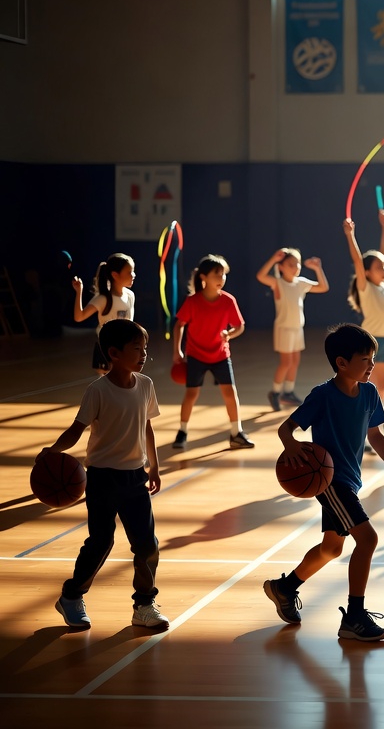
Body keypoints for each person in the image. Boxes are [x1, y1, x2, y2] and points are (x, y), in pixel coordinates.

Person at [263, 324, 384, 642]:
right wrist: (291, 446)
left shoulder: (369, 393)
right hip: (329, 481)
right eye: (365, 359)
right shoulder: (323, 396)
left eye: (373, 358)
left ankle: (284, 588)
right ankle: (354, 617)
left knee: (332, 547)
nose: (371, 365)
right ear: (342, 363)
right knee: (367, 539)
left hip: (351, 481)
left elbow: (375, 435)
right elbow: (287, 429)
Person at [43, 319, 168, 631]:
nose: (143, 354)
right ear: (114, 353)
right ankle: (71, 597)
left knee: (147, 545)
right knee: (101, 542)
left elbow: (147, 426)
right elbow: (76, 430)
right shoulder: (97, 391)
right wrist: (52, 451)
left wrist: (154, 465)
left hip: (135, 478)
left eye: (145, 348)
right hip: (101, 478)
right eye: (136, 349)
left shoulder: (146, 385)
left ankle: (144, 604)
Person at [172, 254, 253, 450]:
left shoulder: (228, 301)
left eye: (223, 274)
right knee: (191, 394)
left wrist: (230, 334)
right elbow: (179, 325)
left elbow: (239, 326)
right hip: (196, 355)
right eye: (217, 274)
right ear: (203, 277)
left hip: (220, 355)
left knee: (230, 393)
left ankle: (236, 432)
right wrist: (177, 351)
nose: (221, 278)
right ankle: (182, 431)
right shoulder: (193, 302)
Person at [255, 247, 329, 411]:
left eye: (297, 264)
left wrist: (317, 268)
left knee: (295, 361)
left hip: (297, 328)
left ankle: (287, 392)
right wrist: (273, 259)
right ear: (281, 267)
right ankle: (275, 392)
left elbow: (323, 287)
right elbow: (260, 276)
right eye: (290, 264)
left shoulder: (301, 283)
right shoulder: (278, 283)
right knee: (286, 362)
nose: (295, 267)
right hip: (284, 329)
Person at [345, 212, 384, 425]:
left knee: (383, 386)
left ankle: (374, 419)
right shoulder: (365, 288)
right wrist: (350, 234)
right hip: (369, 341)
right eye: (378, 267)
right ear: (366, 272)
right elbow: (357, 259)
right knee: (366, 385)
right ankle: (362, 423)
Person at [72, 253, 136, 374]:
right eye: (129, 272)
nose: (133, 275)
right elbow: (79, 317)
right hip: (107, 349)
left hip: (124, 348)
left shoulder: (130, 296)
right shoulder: (103, 299)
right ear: (115, 275)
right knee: (111, 387)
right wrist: (79, 291)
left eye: (133, 271)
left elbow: (129, 324)